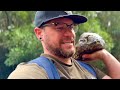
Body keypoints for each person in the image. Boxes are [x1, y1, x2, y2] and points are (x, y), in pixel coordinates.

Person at [8, 11, 120, 79]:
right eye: (58, 26)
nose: (69, 33)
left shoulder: (88, 70)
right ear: (39, 33)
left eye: (71, 26)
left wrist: (104, 55)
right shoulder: (35, 71)